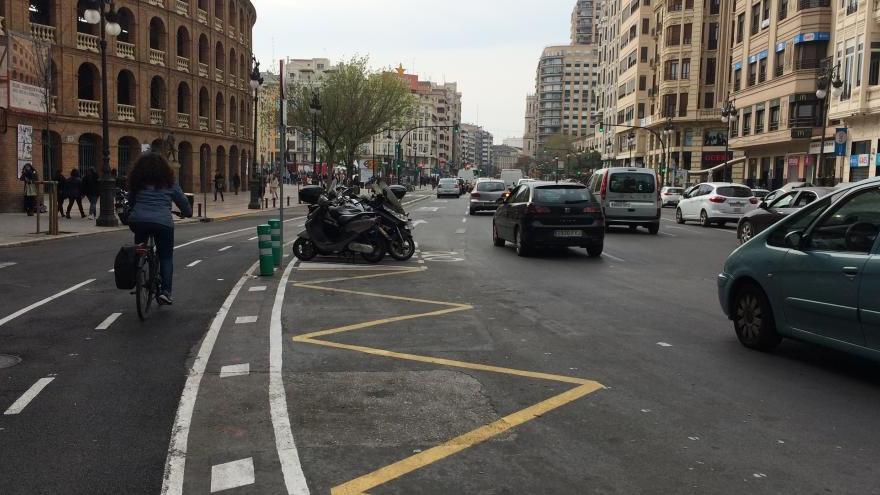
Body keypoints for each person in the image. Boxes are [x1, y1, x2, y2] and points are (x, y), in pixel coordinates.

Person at [127, 154, 193, 305]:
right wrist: (187, 212)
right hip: (163, 223)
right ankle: (165, 292)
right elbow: (182, 201)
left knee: (140, 246)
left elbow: (131, 201)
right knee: (165, 257)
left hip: (138, 221)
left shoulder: (138, 182)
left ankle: (138, 269)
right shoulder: (169, 183)